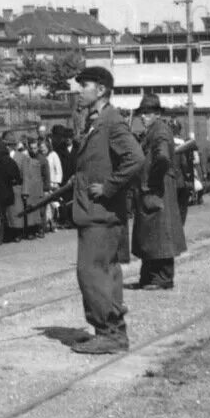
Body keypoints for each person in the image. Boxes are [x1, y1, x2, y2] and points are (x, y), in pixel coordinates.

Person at [67, 68, 144, 354]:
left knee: (91, 271)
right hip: (94, 211)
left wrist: (109, 187)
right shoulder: (96, 121)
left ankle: (110, 333)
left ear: (100, 90)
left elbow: (135, 159)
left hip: (101, 211)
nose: (80, 91)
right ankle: (110, 331)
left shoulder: (111, 122)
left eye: (84, 86)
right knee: (105, 272)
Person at [130, 94, 186, 290]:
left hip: (158, 188)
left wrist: (152, 181)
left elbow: (162, 158)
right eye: (142, 114)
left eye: (147, 113)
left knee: (160, 232)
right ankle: (149, 277)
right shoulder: (154, 130)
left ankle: (162, 278)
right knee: (151, 233)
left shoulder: (159, 131)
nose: (143, 117)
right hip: (154, 187)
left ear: (157, 114)